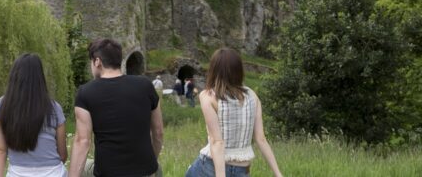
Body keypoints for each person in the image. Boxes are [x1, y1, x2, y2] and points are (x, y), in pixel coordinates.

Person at [70, 38, 164, 177]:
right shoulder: (145, 85)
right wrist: (151, 164)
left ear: (97, 62)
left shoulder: (86, 92)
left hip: (107, 173)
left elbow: (83, 141)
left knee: (82, 169)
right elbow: (158, 132)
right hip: (145, 171)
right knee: (158, 169)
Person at [185, 48, 283, 177]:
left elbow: (217, 142)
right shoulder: (252, 96)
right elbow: (261, 139)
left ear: (214, 70)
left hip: (209, 167)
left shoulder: (208, 96)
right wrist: (278, 174)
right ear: (238, 70)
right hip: (242, 170)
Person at [0, 54, 67, 177]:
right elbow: (62, 155)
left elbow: (0, 151)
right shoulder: (54, 108)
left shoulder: (0, 106)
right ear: (40, 78)